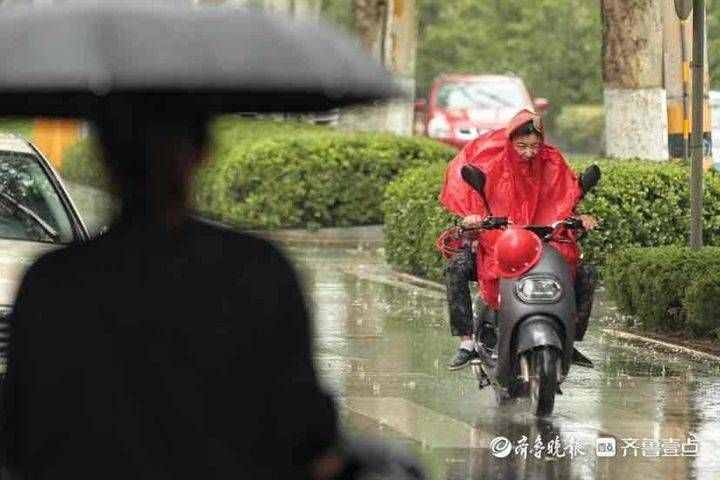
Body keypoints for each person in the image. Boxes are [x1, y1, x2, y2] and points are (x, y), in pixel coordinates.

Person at [0, 106, 353, 480]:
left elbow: (20, 440)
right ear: (203, 152)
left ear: (103, 155)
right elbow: (308, 435)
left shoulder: (53, 285)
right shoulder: (260, 272)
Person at [438, 110, 598, 370]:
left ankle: (570, 339)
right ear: (510, 142)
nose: (528, 152)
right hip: (495, 241)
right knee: (456, 267)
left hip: (542, 242)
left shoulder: (553, 162)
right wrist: (474, 218)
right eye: (522, 145)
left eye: (535, 145)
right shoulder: (492, 163)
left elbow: (565, 198)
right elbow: (472, 193)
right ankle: (467, 342)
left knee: (587, 272)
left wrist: (580, 218)